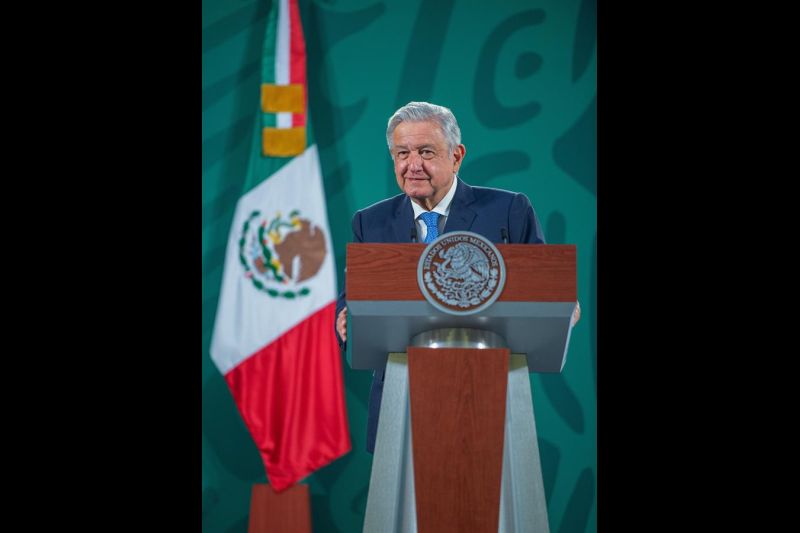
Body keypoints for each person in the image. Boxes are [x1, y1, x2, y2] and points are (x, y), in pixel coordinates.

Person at [335, 101, 580, 453]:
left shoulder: (509, 210)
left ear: (456, 155)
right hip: (400, 398)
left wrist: (561, 306)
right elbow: (352, 303)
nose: (413, 165)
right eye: (402, 153)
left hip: (488, 391)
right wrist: (345, 323)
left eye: (425, 152)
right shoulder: (370, 222)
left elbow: (547, 290)